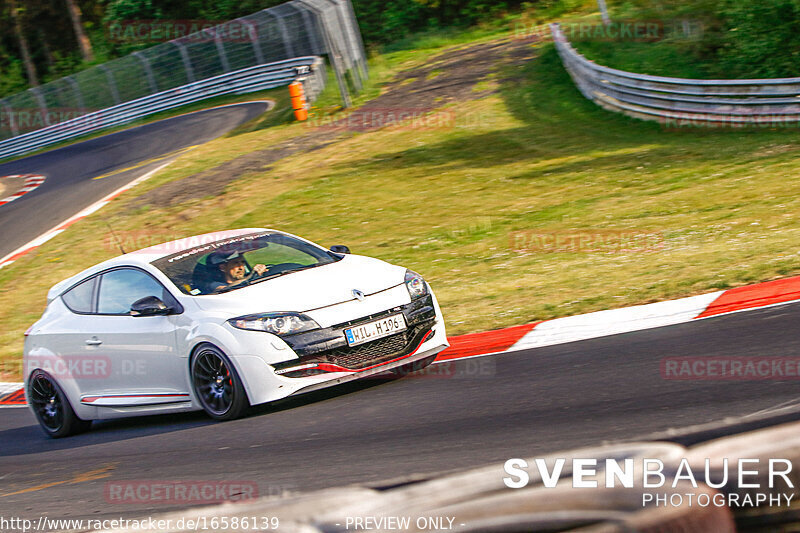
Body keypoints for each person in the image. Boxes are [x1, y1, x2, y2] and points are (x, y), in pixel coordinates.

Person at [204, 251, 268, 293]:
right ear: (223, 268)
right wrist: (250, 277)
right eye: (235, 263)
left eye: (242, 262)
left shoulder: (249, 277)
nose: (241, 267)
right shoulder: (215, 285)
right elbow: (227, 289)